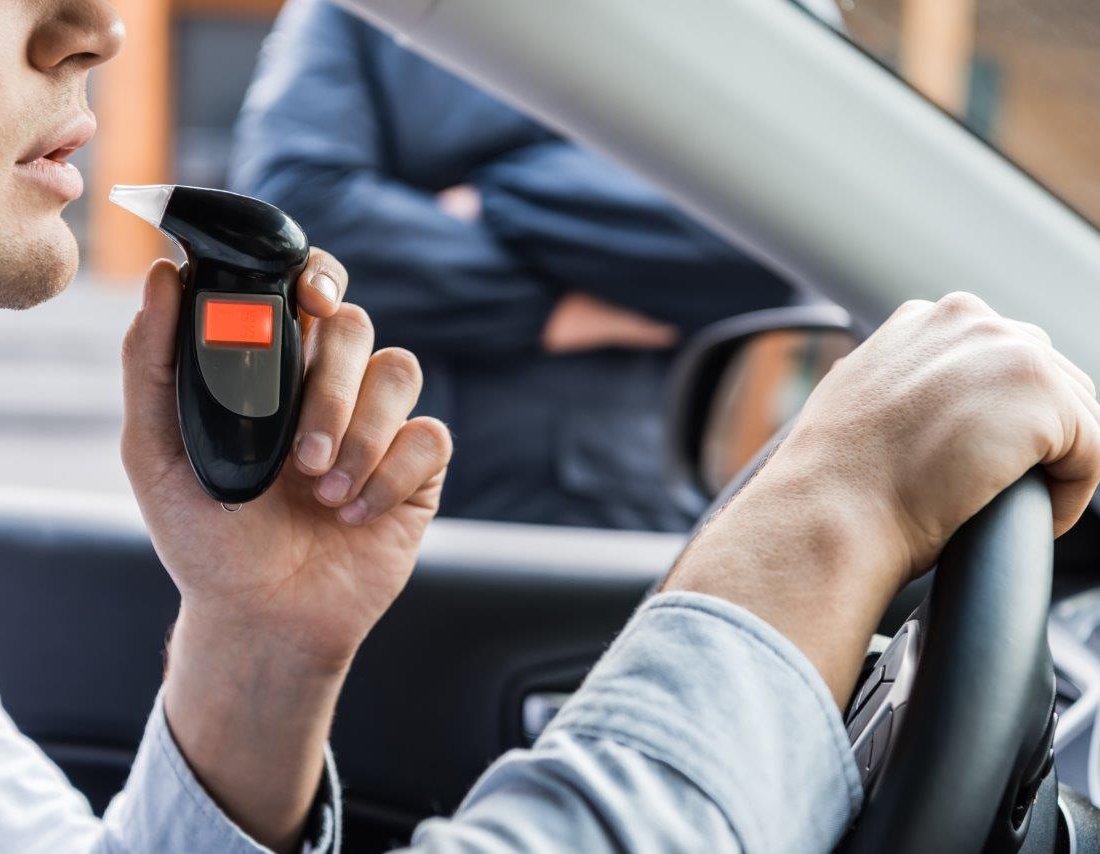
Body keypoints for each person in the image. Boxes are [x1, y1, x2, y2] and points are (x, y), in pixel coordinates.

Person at [0, 1, 1100, 852]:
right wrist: (824, 521)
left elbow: (718, 248)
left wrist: (253, 646)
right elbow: (304, 195)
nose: (97, 25)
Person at [230, 0, 797, 532]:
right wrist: (555, 309)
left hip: (604, 504)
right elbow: (298, 219)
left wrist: (490, 198)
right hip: (375, 480)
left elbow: (757, 238)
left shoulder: (684, 18)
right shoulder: (355, 12)